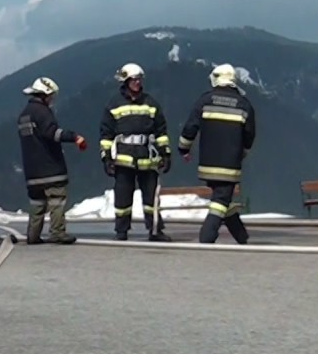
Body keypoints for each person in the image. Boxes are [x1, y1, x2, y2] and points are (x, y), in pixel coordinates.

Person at [177, 63, 256, 244]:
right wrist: (243, 151)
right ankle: (207, 236)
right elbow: (250, 134)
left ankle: (241, 236)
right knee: (221, 199)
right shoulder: (244, 104)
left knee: (222, 197)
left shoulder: (205, 100)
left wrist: (184, 149)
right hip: (230, 164)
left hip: (208, 163)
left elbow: (190, 127)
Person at [98, 63, 172, 242]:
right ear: (126, 81)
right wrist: (106, 158)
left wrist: (165, 153)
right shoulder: (114, 104)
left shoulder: (151, 103)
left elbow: (161, 131)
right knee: (123, 197)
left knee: (151, 199)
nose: (138, 83)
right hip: (124, 160)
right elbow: (106, 134)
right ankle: (121, 231)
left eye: (139, 80)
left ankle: (155, 230)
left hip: (147, 158)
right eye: (134, 80)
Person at [17, 76, 86, 245]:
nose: (52, 99)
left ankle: (33, 236)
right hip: (50, 168)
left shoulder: (23, 115)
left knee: (37, 204)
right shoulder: (42, 112)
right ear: (45, 94)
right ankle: (57, 232)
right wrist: (74, 137)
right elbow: (53, 133)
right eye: (51, 96)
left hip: (32, 171)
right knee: (57, 200)